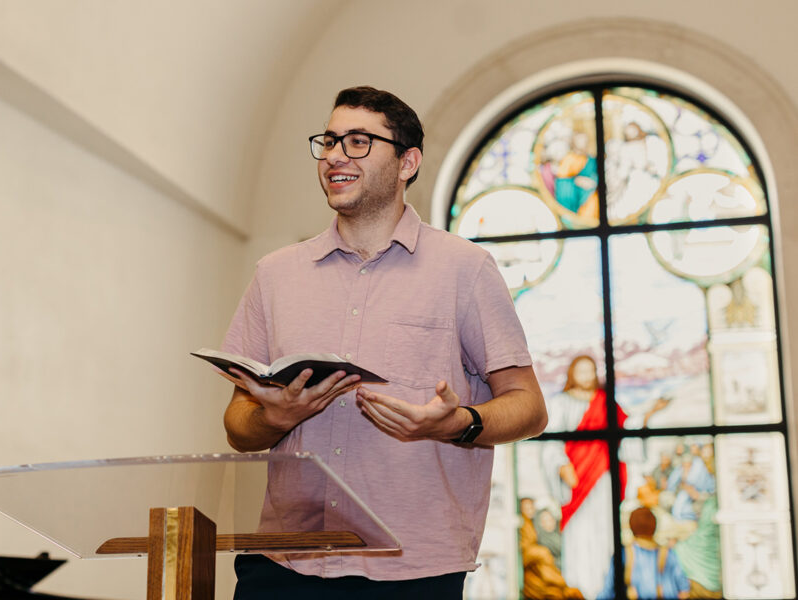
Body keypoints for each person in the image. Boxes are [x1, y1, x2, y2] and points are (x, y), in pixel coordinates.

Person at [220, 86, 547, 599]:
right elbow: (238, 426)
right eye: (328, 141)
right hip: (284, 564)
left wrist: (459, 422)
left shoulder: (466, 270)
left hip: (412, 570)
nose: (333, 156)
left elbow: (530, 407)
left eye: (356, 142)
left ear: (406, 162)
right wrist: (273, 418)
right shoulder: (274, 275)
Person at [541, 355, 669, 599]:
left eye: (590, 371)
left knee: (604, 532)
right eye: (581, 371)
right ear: (571, 374)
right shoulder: (560, 403)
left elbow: (626, 428)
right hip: (576, 482)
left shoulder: (606, 402)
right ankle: (579, 587)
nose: (587, 376)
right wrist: (560, 466)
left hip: (603, 479)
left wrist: (648, 413)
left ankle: (606, 588)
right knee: (579, 533)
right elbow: (551, 443)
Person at [597, 507, 691, 599]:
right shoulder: (669, 553)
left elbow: (607, 591)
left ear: (631, 526)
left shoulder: (623, 554)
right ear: (654, 526)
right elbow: (684, 589)